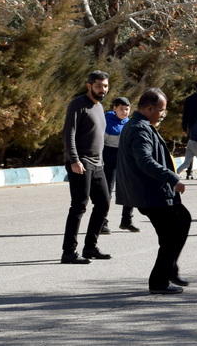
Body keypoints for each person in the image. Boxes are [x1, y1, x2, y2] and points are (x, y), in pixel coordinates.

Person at [116, 88, 191, 294]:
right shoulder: (140, 129)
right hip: (150, 193)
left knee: (182, 220)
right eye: (161, 111)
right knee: (171, 235)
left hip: (154, 192)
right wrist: (172, 177)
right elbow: (145, 161)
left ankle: (170, 268)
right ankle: (159, 281)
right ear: (149, 108)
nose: (163, 115)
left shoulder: (141, 125)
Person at [61, 70, 112, 264]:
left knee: (104, 203)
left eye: (105, 86)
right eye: (99, 86)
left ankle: (90, 247)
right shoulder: (78, 104)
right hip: (80, 162)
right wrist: (74, 159)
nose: (103, 89)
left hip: (98, 164)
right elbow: (69, 134)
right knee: (79, 206)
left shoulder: (99, 107)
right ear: (89, 85)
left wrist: (101, 161)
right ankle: (68, 252)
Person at [103, 97, 139, 233]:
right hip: (109, 159)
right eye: (121, 109)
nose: (124, 112)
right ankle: (102, 222)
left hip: (125, 158)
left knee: (130, 189)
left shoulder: (130, 123)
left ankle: (126, 221)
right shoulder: (107, 122)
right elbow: (100, 143)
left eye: (127, 109)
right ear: (114, 109)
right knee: (107, 192)